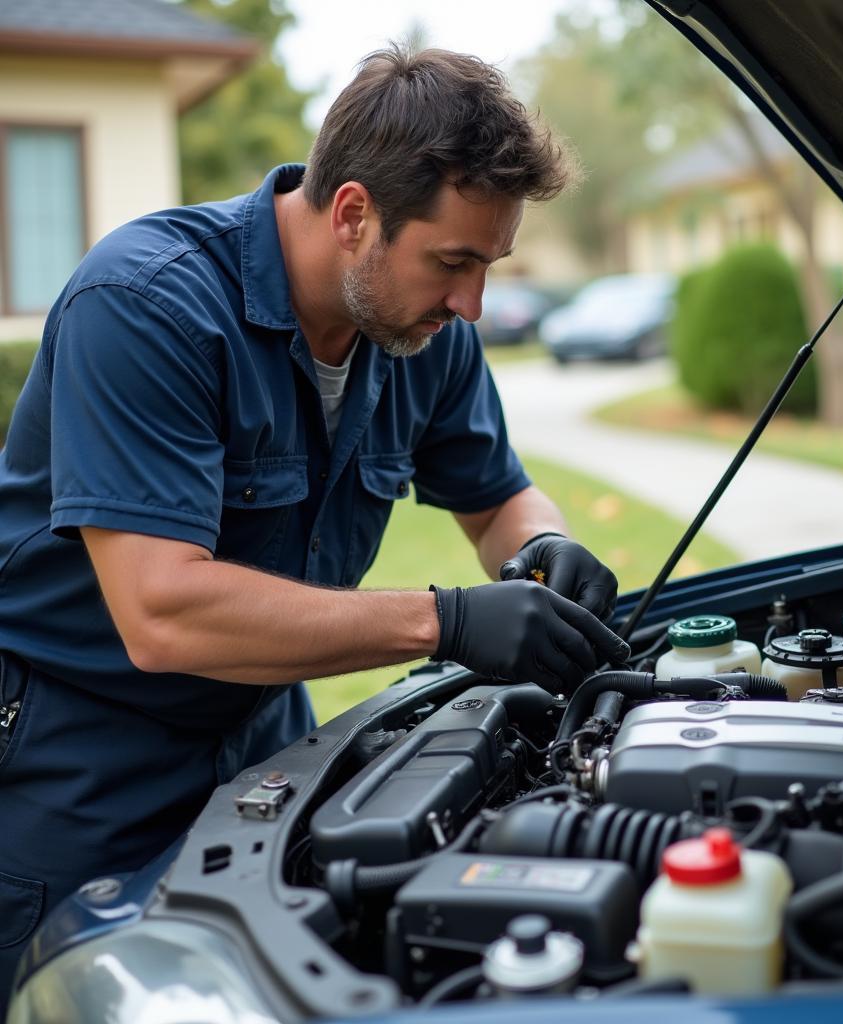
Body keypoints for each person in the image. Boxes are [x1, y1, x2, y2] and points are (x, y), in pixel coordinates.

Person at [0, 45, 628, 1004]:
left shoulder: (420, 333)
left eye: (489, 267)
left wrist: (541, 548)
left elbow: (498, 496)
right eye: (454, 262)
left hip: (268, 750)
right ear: (352, 214)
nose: (472, 305)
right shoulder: (145, 304)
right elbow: (160, 613)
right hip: (81, 767)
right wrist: (447, 620)